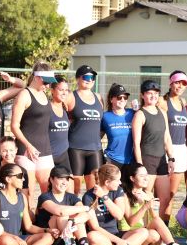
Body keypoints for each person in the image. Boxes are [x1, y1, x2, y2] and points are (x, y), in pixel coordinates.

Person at [0, 164, 56, 245]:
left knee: (49, 237)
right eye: (20, 176)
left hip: (20, 239)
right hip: (2, 239)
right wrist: (17, 239)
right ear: (8, 179)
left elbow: (29, 226)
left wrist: (46, 230)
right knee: (6, 242)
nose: (23, 179)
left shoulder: (22, 197)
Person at [119, 163, 185, 245]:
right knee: (155, 238)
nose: (146, 178)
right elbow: (131, 222)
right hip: (128, 235)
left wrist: (150, 201)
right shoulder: (124, 195)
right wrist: (145, 207)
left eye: (146, 175)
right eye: (142, 176)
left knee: (155, 232)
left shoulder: (148, 194)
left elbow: (156, 219)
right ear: (132, 178)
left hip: (145, 232)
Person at [34, 166, 99, 245]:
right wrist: (86, 208)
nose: (65, 182)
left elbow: (85, 215)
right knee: (62, 216)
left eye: (67, 179)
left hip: (68, 238)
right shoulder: (44, 197)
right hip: (51, 240)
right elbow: (60, 211)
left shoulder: (72, 197)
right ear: (51, 179)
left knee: (77, 218)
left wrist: (72, 221)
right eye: (60, 178)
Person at [132, 80, 175, 223]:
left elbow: (167, 137)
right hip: (147, 160)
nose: (153, 96)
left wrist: (171, 158)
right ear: (142, 95)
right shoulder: (140, 114)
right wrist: (140, 165)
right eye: (149, 93)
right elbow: (136, 143)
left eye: (156, 93)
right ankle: (144, 231)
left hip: (161, 160)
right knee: (146, 198)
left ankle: (161, 230)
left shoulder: (162, 113)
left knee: (166, 198)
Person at [82, 164, 146, 245]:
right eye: (117, 180)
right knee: (91, 236)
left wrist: (104, 197)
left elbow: (119, 215)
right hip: (102, 237)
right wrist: (118, 241)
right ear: (107, 182)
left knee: (143, 232)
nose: (120, 182)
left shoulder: (117, 190)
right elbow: (94, 227)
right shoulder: (88, 196)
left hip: (117, 234)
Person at [11, 62, 56, 195]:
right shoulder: (24, 95)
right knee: (28, 192)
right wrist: (28, 146)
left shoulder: (44, 95)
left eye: (49, 83)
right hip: (26, 150)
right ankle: (27, 216)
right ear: (36, 77)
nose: (48, 86)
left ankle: (43, 216)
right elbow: (14, 126)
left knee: (49, 189)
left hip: (44, 149)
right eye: (45, 82)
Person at [65, 65, 105, 196]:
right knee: (74, 189)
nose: (90, 80)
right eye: (86, 77)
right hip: (76, 148)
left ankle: (91, 216)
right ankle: (74, 214)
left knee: (95, 189)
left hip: (95, 149)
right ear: (78, 79)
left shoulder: (99, 97)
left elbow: (101, 123)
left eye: (92, 77)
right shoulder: (71, 96)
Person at [158, 71, 187, 222]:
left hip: (181, 149)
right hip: (166, 149)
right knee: (160, 195)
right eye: (177, 82)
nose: (180, 86)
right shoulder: (162, 101)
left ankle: (165, 229)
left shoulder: (183, 102)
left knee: (171, 195)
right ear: (170, 83)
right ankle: (153, 227)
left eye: (183, 83)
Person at [0, 136, 29, 203]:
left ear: (16, 150)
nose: (8, 154)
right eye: (4, 151)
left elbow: (24, 199)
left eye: (11, 150)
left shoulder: (22, 171)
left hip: (14, 206)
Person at [101, 83, 134, 179]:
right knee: (112, 190)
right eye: (119, 97)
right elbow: (97, 137)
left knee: (128, 191)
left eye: (125, 97)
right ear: (111, 99)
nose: (123, 100)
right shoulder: (105, 116)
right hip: (112, 159)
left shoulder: (133, 113)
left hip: (131, 160)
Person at [48, 76, 71, 176]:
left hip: (63, 155)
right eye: (61, 89)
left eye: (66, 90)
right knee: (48, 188)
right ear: (52, 90)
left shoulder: (65, 109)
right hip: (49, 156)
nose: (64, 93)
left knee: (70, 187)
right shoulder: (46, 108)